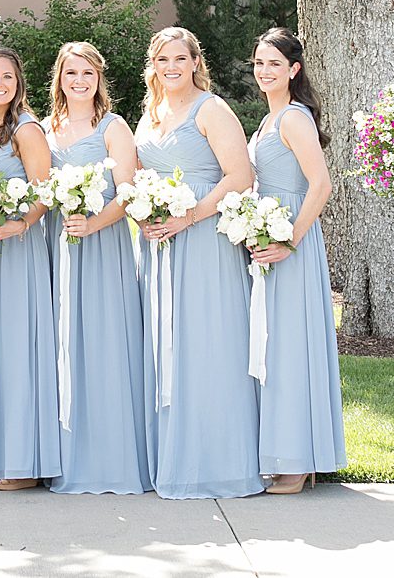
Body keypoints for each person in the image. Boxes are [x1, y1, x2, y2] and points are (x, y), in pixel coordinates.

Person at [135, 26, 262, 499]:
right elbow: (140, 176)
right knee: (167, 346)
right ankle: (172, 457)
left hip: (205, 240)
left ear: (194, 63)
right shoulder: (149, 114)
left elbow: (240, 175)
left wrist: (188, 217)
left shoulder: (211, 108)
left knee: (209, 345)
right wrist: (146, 210)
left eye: (180, 59)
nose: (172, 67)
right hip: (159, 244)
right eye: (163, 59)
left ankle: (218, 463)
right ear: (155, 65)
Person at [43, 41, 151, 494]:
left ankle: (111, 459)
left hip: (102, 247)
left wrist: (91, 224)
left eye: (87, 73)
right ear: (59, 79)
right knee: (61, 344)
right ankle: (64, 455)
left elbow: (127, 193)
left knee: (104, 343)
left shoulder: (114, 127)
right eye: (71, 74)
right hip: (57, 244)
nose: (79, 81)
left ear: (99, 78)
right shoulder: (46, 127)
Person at [249, 27, 345, 492]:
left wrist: (289, 242)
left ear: (294, 69)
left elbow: (320, 185)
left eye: (274, 64)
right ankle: (289, 455)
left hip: (292, 243)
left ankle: (297, 461)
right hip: (269, 239)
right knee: (275, 347)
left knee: (290, 347)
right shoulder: (267, 121)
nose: (265, 71)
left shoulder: (293, 118)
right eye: (259, 63)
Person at [0, 46, 60, 490]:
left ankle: (24, 461)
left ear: (18, 81)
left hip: (17, 249)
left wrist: (19, 223)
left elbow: (45, 192)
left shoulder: (25, 129)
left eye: (7, 76)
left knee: (17, 346)